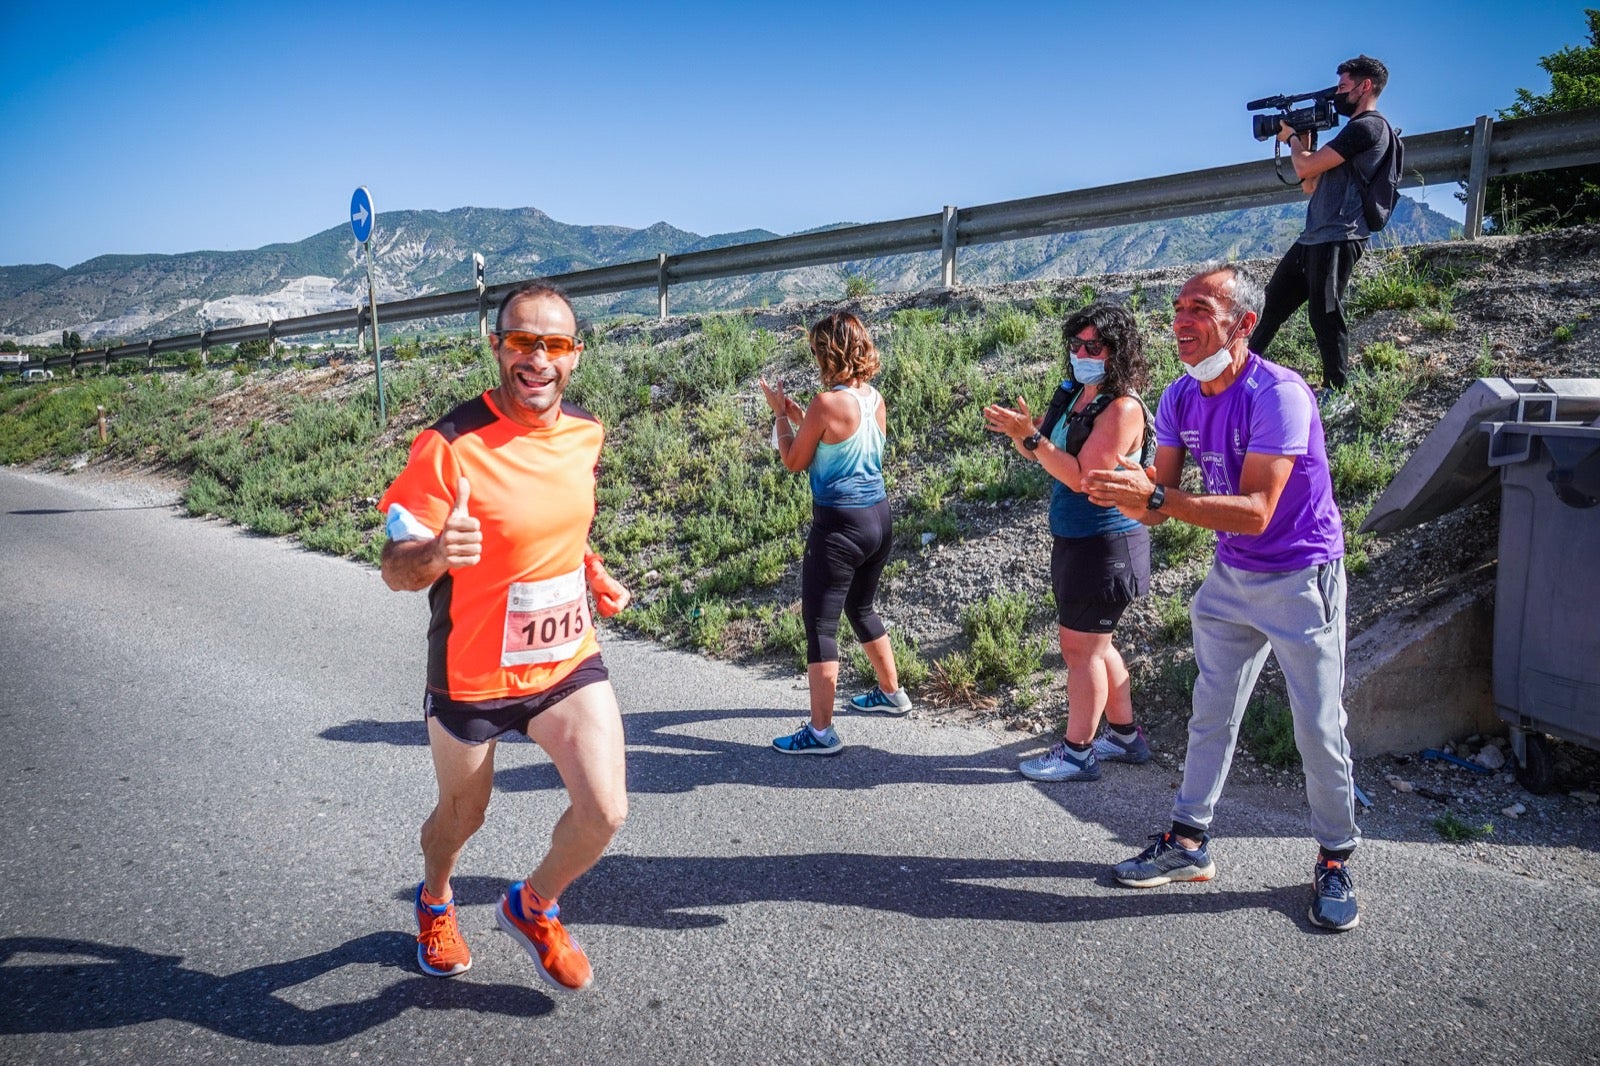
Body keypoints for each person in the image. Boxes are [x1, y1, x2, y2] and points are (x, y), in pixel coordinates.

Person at [1082, 263, 1362, 932]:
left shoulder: (1281, 395)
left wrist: (1156, 497)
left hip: (1300, 576)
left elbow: (1260, 509)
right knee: (1210, 713)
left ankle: (1334, 858)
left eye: (1199, 308)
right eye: (1177, 306)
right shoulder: (1180, 396)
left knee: (1318, 728)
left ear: (1242, 324)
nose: (1180, 318)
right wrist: (1125, 491)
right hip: (1231, 579)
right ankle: (1187, 843)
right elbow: (1159, 502)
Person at [378, 280, 632, 989]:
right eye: (522, 341)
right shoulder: (448, 446)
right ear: (497, 347)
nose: (538, 358)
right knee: (463, 819)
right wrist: (434, 555)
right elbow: (395, 568)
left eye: (554, 344)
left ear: (575, 355)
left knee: (606, 811)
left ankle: (533, 905)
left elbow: (560, 522)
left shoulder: (586, 433)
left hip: (564, 659)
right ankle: (435, 899)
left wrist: (593, 569)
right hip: (473, 674)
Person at [982, 303, 1155, 782]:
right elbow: (1043, 451)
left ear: (1117, 352)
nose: (1081, 353)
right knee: (1098, 645)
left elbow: (1082, 477)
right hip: (1080, 539)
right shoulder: (1076, 394)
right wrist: (1023, 433)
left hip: (1107, 544)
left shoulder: (1121, 408)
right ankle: (1124, 736)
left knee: (1080, 650)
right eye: (1075, 345)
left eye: (1092, 346)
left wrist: (1032, 439)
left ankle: (1079, 752)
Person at [760, 311, 909, 755]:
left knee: (821, 624)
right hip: (878, 518)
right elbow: (843, 441)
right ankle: (891, 692)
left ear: (829, 353)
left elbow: (793, 460)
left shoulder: (826, 404)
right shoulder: (874, 398)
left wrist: (780, 417)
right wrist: (797, 415)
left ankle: (821, 733)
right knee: (861, 606)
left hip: (839, 525)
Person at [1250, 55, 1393, 403]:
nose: (1338, 94)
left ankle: (1337, 388)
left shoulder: (1368, 127)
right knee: (1270, 306)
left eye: (1343, 87)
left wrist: (1293, 139)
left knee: (1325, 311)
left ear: (1365, 86)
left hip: (1341, 233)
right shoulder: (1349, 133)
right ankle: (1239, 374)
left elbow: (1303, 168)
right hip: (1315, 234)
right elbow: (1310, 183)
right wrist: (1305, 140)